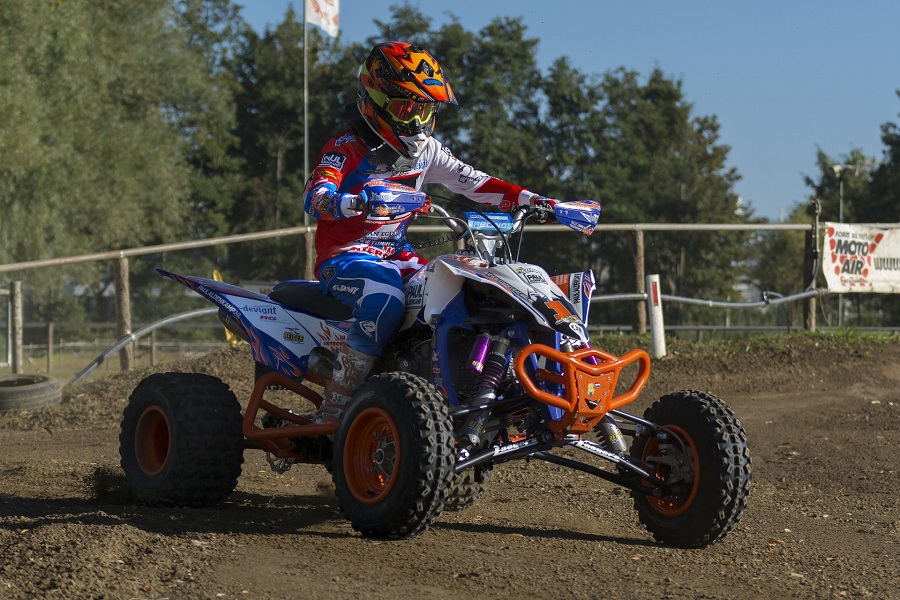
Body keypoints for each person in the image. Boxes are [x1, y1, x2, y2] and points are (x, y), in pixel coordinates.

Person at [303, 41, 559, 426]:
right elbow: (315, 194)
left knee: (459, 287)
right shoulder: (346, 148)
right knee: (386, 301)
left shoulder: (428, 152)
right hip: (346, 258)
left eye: (425, 109)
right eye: (408, 108)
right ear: (375, 100)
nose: (418, 121)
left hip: (400, 258)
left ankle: (453, 391)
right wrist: (351, 203)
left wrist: (533, 199)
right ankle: (336, 407)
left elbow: (473, 181)